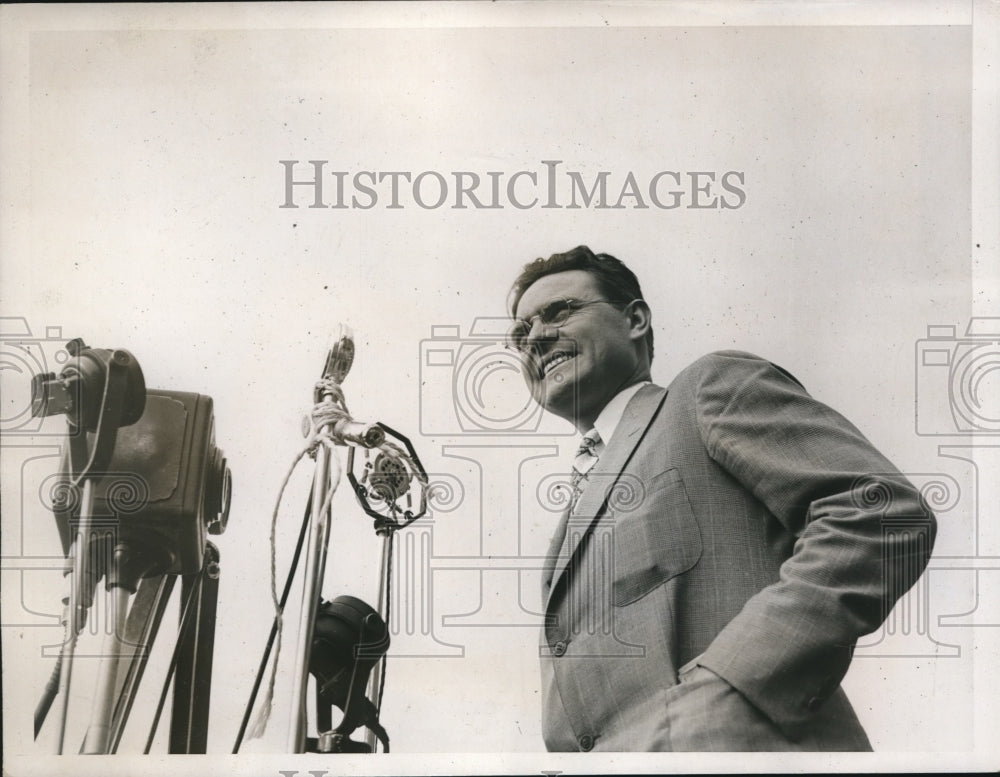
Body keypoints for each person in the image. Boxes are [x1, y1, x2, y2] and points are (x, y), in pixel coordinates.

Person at [505, 245, 936, 752]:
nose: (535, 337)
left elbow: (878, 512)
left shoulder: (705, 390)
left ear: (636, 320)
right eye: (520, 333)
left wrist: (729, 687)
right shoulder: (571, 514)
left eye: (560, 311)